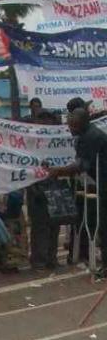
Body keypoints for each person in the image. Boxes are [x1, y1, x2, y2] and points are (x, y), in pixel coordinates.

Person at [45, 108, 107, 273]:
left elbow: (82, 164)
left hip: (104, 182)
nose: (71, 129)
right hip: (97, 182)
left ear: (83, 123)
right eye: (70, 125)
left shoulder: (93, 137)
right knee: (101, 225)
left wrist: (59, 171)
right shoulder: (83, 136)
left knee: (104, 225)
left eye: (74, 126)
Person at [25, 111, 62, 271]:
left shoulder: (57, 142)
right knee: (39, 226)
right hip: (37, 190)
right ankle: (39, 260)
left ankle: (51, 259)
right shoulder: (29, 143)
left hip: (54, 188)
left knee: (55, 225)